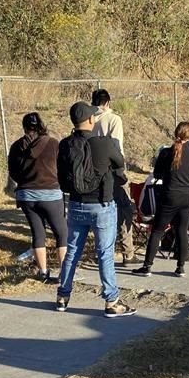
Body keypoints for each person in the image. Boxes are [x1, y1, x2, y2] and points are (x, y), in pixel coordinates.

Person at [56, 102, 135, 317]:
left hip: (75, 204)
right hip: (102, 204)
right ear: (91, 120)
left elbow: (61, 176)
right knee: (105, 254)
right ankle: (111, 301)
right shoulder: (105, 144)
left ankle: (62, 296)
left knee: (72, 252)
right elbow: (120, 163)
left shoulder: (65, 145)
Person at [133, 122, 189, 278]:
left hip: (169, 195)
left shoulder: (166, 153)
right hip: (187, 195)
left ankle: (147, 266)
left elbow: (157, 175)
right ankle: (180, 267)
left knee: (157, 231)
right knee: (182, 230)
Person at [8, 112, 67, 281]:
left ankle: (43, 271)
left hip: (26, 195)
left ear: (24, 127)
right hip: (51, 194)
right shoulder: (53, 143)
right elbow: (62, 167)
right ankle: (65, 271)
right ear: (42, 125)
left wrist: (25, 182)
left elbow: (13, 172)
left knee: (37, 233)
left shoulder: (16, 146)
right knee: (61, 232)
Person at [91, 89, 135, 266]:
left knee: (99, 212)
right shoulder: (114, 119)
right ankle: (128, 252)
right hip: (111, 170)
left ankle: (100, 251)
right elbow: (116, 146)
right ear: (108, 102)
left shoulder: (89, 120)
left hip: (93, 172)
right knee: (124, 209)